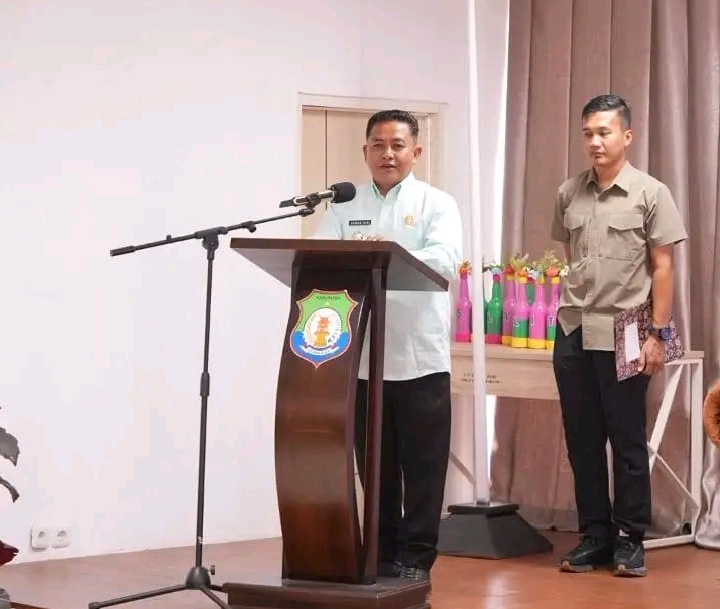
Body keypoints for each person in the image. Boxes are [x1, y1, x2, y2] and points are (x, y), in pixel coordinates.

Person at [314, 109, 463, 582]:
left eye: (397, 145)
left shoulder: (437, 203)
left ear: (416, 151)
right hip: (360, 360)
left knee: (423, 469)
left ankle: (416, 558)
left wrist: (389, 253)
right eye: (378, 145)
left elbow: (445, 260)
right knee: (374, 467)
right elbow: (320, 257)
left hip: (420, 358)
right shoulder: (343, 205)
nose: (388, 154)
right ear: (365, 152)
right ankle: (378, 554)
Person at [550, 95, 688, 577]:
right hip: (573, 329)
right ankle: (595, 535)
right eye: (587, 132)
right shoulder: (569, 192)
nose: (595, 141)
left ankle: (630, 538)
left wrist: (657, 334)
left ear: (627, 136)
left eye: (604, 132)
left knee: (627, 439)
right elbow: (572, 256)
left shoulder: (651, 193)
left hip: (629, 330)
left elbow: (663, 268)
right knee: (582, 440)